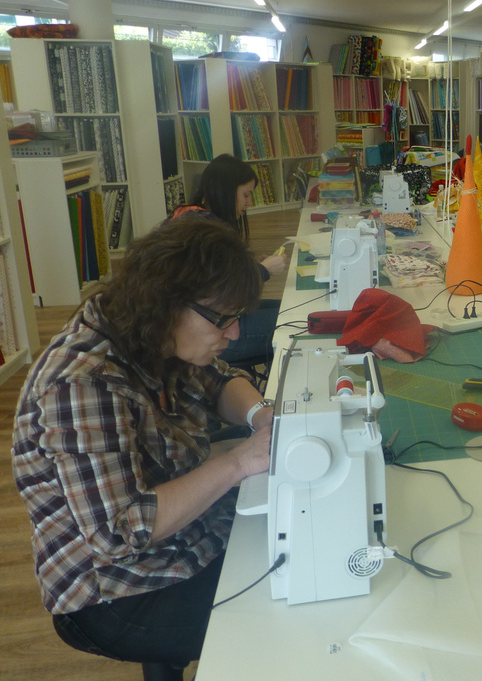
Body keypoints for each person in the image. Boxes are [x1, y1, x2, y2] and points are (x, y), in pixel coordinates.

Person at [12, 216, 274, 679]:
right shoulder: (82, 383)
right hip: (112, 593)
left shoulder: (146, 329)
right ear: (169, 301)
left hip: (173, 538)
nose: (233, 334)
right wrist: (239, 462)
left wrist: (260, 415)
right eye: (223, 319)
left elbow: (218, 382)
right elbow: (117, 532)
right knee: (287, 613)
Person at [170, 153, 288, 364]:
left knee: (289, 309)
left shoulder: (190, 216)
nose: (249, 202)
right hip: (213, 336)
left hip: (209, 324)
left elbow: (210, 277)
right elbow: (221, 291)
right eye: (246, 195)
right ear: (226, 191)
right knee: (299, 321)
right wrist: (262, 271)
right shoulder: (204, 229)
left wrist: (250, 265)